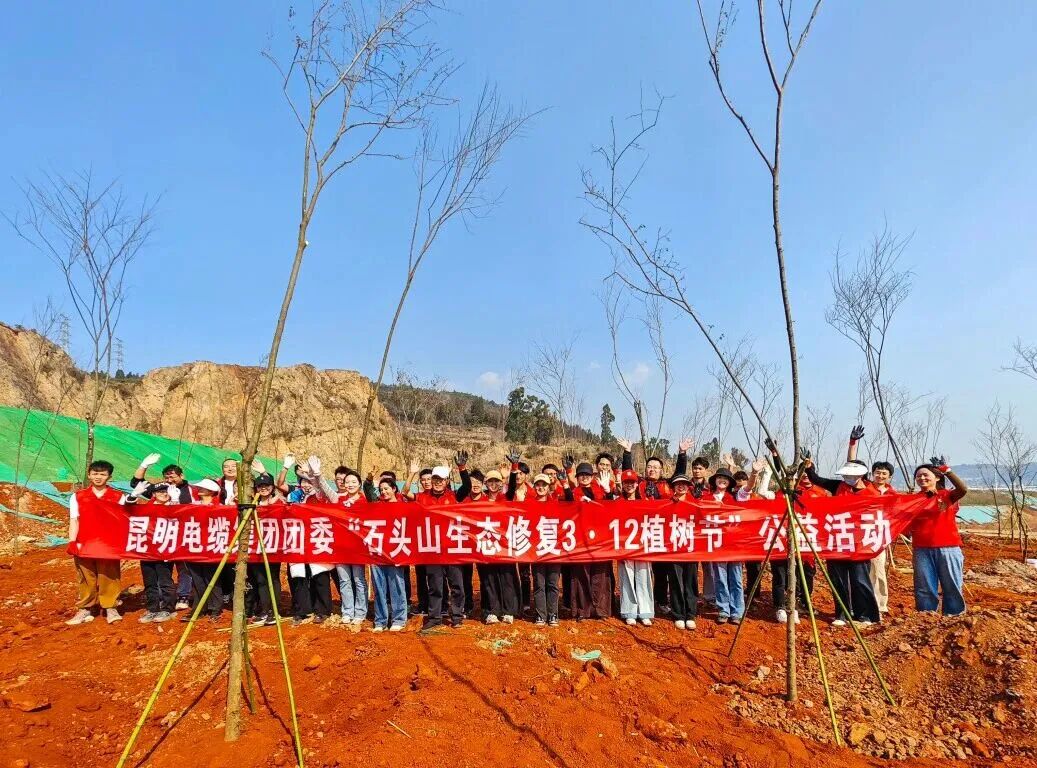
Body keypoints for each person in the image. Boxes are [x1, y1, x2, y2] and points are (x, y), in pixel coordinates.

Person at [804, 455, 881, 626]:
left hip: (859, 545)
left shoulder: (873, 492)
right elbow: (817, 479)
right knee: (838, 580)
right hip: (837, 541)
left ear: (861, 475)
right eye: (845, 476)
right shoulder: (838, 486)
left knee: (860, 580)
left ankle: (865, 614)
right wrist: (809, 467)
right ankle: (842, 613)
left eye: (851, 476)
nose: (847, 479)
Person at [619, 437, 692, 614]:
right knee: (643, 570)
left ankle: (662, 600)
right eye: (649, 466)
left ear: (661, 470)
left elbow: (680, 475)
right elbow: (628, 476)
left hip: (664, 533)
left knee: (662, 569)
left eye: (656, 467)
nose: (652, 469)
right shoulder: (640, 484)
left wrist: (682, 454)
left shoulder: (667, 485)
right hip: (642, 534)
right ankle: (639, 602)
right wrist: (627, 453)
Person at [66, 460, 126, 626]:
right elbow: (74, 520)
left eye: (102, 474)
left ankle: (110, 607)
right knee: (86, 577)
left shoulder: (118, 497)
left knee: (109, 576)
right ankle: (85, 608)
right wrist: (72, 541)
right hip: (85, 543)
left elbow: (124, 520)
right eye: (95, 473)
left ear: (109, 477)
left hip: (108, 544)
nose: (98, 477)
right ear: (89, 475)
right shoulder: (78, 496)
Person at [845, 425, 897, 616]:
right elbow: (852, 466)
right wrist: (853, 443)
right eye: (877, 472)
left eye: (884, 473)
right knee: (860, 573)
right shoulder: (865, 486)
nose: (880, 475)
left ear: (890, 477)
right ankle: (860, 604)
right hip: (860, 535)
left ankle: (880, 604)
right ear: (872, 473)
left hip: (879, 537)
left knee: (878, 571)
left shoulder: (893, 494)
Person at [283, 456, 337, 626]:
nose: (306, 485)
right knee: (299, 577)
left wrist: (314, 474)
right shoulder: (296, 497)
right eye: (303, 482)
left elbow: (323, 489)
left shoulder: (320, 496)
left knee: (320, 576)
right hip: (299, 541)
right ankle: (302, 611)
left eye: (309, 482)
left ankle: (322, 610)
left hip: (318, 540)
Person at [910, 457, 968, 616]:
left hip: (948, 548)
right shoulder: (913, 500)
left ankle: (954, 617)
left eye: (925, 475)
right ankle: (926, 617)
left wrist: (946, 470)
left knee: (952, 585)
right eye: (918, 476)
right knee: (924, 587)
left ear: (936, 477)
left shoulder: (947, 496)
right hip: (921, 549)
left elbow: (963, 489)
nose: (921, 478)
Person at [519, 466, 573, 626]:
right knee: (539, 584)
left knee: (553, 584)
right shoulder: (529, 503)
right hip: (537, 551)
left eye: (544, 484)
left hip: (554, 550)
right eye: (538, 485)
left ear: (548, 486)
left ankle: (553, 614)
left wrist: (565, 483)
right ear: (534, 487)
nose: (541, 487)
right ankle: (540, 615)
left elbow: (571, 503)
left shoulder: (556, 502)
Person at [418, 465, 465, 629]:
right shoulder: (422, 497)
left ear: (447, 481)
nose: (438, 482)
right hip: (433, 550)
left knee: (457, 585)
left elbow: (466, 486)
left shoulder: (453, 496)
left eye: (441, 480)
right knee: (435, 586)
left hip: (451, 549)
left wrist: (462, 469)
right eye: (435, 479)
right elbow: (405, 497)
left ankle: (457, 616)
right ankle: (434, 617)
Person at [570, 461, 614, 621]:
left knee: (601, 574)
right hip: (580, 538)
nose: (584, 478)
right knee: (582, 573)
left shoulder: (600, 490)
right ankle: (583, 610)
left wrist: (608, 492)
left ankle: (601, 610)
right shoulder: (574, 492)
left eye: (587, 475)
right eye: (581, 475)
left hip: (601, 538)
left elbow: (611, 507)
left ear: (592, 476)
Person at [129, 482, 176, 623]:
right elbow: (128, 511)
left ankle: (168, 609)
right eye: (160, 491)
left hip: (165, 550)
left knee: (165, 580)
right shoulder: (147, 508)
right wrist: (133, 495)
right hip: (147, 550)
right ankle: (152, 609)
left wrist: (175, 501)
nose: (164, 494)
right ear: (154, 494)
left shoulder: (174, 507)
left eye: (166, 491)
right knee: (150, 581)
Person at [706, 468, 744, 625]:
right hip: (716, 544)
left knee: (736, 578)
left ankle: (737, 611)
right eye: (719, 477)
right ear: (714, 480)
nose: (722, 480)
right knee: (720, 578)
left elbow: (748, 490)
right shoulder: (706, 498)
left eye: (725, 478)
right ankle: (723, 609)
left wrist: (755, 473)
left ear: (729, 483)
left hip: (734, 544)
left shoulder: (735, 497)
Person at [616, 468, 653, 626]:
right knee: (627, 577)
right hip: (625, 545)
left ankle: (645, 611)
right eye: (626, 483)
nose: (629, 485)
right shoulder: (617, 502)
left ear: (637, 484)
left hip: (643, 544)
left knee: (643, 577)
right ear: (622, 484)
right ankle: (629, 611)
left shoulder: (645, 500)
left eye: (632, 482)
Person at [333, 466, 368, 626]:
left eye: (354, 482)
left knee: (358, 579)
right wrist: (316, 475)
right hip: (340, 547)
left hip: (358, 548)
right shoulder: (338, 500)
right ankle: (347, 611)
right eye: (347, 482)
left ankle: (360, 612)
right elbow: (323, 489)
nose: (350, 484)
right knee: (344, 581)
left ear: (359, 484)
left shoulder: (364, 501)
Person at [248, 473, 284, 626]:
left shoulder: (279, 502)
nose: (263, 488)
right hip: (254, 545)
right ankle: (264, 610)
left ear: (272, 487)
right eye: (260, 486)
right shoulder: (252, 503)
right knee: (260, 580)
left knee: (273, 578)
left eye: (267, 486)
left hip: (273, 546)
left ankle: (274, 612)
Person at [372, 478, 408, 631]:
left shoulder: (402, 506)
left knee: (396, 586)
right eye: (381, 490)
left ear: (394, 489)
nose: (383, 492)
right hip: (377, 551)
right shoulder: (375, 507)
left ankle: (399, 619)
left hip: (395, 551)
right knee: (379, 587)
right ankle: (380, 620)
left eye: (386, 488)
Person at [666, 474, 698, 631]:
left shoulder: (696, 503)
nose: (681, 486)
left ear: (688, 486)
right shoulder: (666, 504)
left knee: (690, 581)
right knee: (676, 581)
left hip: (691, 548)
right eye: (677, 484)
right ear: (673, 487)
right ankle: (678, 614)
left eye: (684, 484)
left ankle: (691, 614)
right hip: (673, 549)